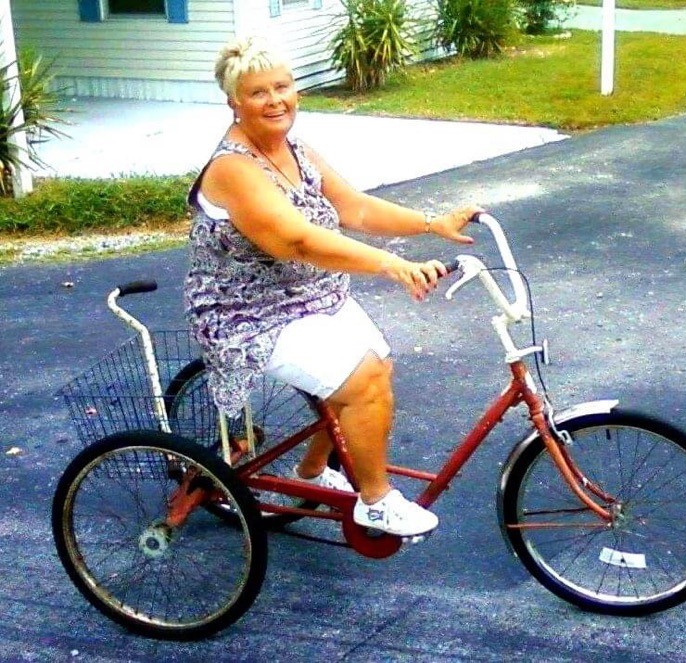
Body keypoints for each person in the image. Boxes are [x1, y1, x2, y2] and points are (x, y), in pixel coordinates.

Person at [184, 35, 481, 538]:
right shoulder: (233, 168)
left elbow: (355, 208)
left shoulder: (296, 150)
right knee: (364, 383)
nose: (275, 100)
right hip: (248, 312)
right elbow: (296, 241)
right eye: (258, 92)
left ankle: (311, 471)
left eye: (282, 86)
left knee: (377, 367)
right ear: (233, 102)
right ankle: (376, 501)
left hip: (312, 295)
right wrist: (392, 265)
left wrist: (432, 223)